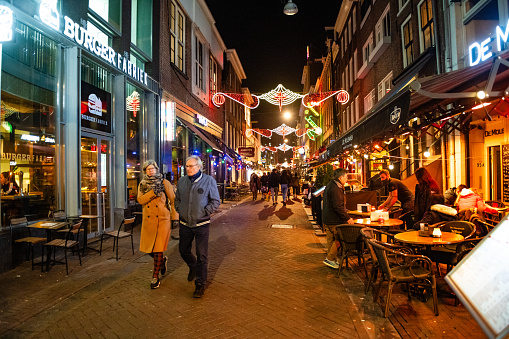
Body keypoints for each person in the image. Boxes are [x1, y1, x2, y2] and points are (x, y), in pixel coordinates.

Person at [175, 156, 221, 298]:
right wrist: (179, 210)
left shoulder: (209, 181)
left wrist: (205, 212)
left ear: (199, 166)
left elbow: (215, 200)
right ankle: (192, 266)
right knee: (183, 250)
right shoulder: (182, 181)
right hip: (185, 224)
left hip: (201, 224)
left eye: (191, 166)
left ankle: (200, 284)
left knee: (202, 255)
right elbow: (177, 199)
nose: (188, 169)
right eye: (186, 166)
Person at [137, 160, 178, 289]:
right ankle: (162, 262)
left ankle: (155, 277)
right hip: (149, 221)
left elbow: (173, 200)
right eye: (148, 169)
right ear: (145, 171)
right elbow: (140, 200)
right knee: (149, 249)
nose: (151, 171)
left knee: (158, 248)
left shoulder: (164, 182)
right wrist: (153, 192)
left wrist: (175, 217)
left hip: (162, 220)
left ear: (156, 169)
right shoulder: (142, 184)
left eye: (152, 169)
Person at [321, 168, 354, 269]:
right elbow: (337, 206)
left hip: (327, 218)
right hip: (334, 220)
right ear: (340, 177)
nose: (346, 179)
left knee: (330, 240)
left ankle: (331, 260)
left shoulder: (330, 185)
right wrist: (347, 218)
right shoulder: (335, 188)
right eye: (346, 177)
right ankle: (330, 259)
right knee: (338, 240)